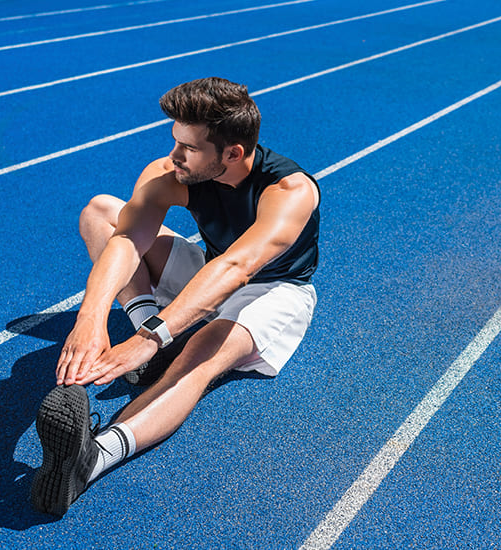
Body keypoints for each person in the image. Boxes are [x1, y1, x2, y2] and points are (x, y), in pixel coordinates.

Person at [29, 77, 320, 516]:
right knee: (102, 212)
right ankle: (147, 357)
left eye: (189, 147)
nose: (174, 155)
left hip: (274, 291)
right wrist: (89, 319)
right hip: (208, 266)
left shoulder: (289, 191)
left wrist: (149, 338)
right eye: (174, 140)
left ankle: (91, 459)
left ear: (232, 153)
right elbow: (128, 240)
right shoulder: (171, 173)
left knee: (198, 356)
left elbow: (236, 269)